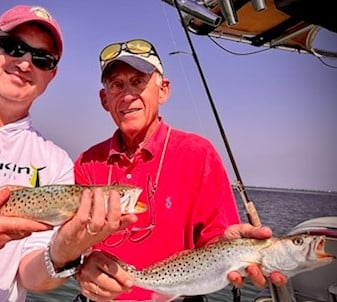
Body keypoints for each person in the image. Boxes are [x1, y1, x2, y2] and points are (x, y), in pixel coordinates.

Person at [0, 6, 136, 302]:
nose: (24, 63)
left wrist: (67, 247)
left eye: (41, 59)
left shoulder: (55, 162)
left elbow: (29, 275)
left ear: (52, 74)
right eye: (14, 47)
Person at [73, 39, 287, 301]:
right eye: (117, 85)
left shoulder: (199, 153)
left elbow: (215, 238)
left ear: (163, 90)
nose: (127, 95)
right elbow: (71, 243)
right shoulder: (86, 162)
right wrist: (79, 268)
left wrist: (228, 246)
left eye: (139, 81)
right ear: (104, 100)